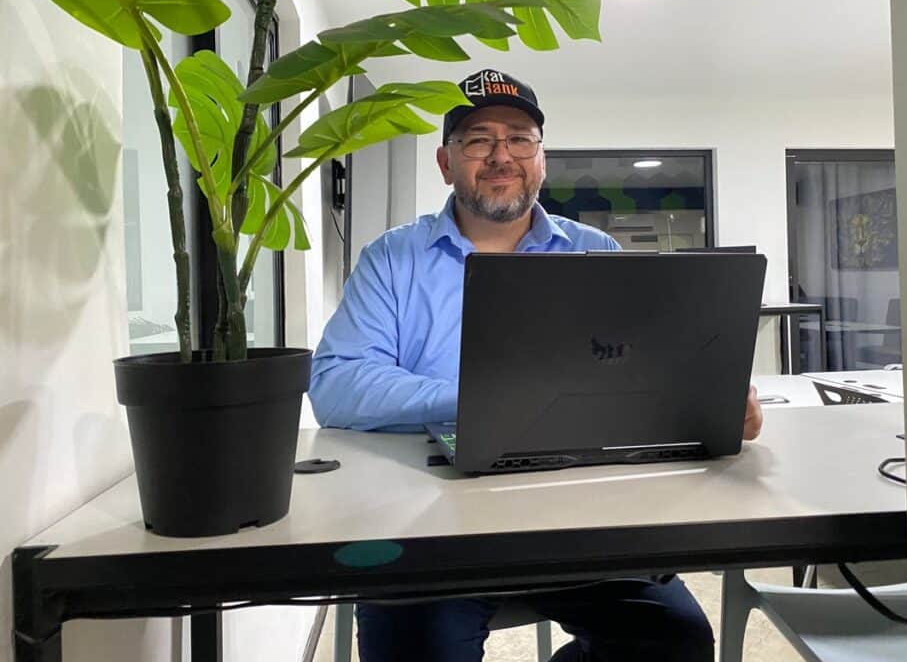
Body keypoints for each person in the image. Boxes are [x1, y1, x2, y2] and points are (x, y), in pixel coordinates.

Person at [310, 69, 764, 662]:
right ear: (447, 163)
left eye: (520, 137)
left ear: (542, 159)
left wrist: (714, 393)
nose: (502, 155)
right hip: (427, 523)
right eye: (478, 140)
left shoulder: (597, 254)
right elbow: (336, 383)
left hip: (578, 517)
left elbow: (648, 368)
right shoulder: (394, 258)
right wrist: (484, 400)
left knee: (675, 641)